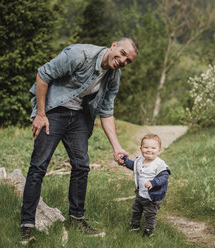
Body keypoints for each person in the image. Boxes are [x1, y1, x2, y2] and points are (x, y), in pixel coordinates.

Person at [20, 38, 138, 242]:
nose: (123, 61)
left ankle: (77, 219)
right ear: (114, 45)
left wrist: (117, 148)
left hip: (80, 117)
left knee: (82, 166)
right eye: (123, 53)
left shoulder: (113, 76)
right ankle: (27, 225)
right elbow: (43, 75)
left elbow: (106, 111)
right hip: (54, 110)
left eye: (129, 61)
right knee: (39, 165)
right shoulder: (79, 55)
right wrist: (40, 114)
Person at [122, 134, 171, 237]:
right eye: (146, 147)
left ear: (159, 150)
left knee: (150, 213)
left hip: (152, 196)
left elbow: (164, 177)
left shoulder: (159, 164)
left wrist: (153, 182)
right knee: (136, 210)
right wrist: (125, 161)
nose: (149, 150)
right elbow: (133, 165)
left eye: (153, 148)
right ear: (140, 149)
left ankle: (149, 230)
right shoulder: (139, 160)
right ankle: (135, 226)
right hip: (140, 194)